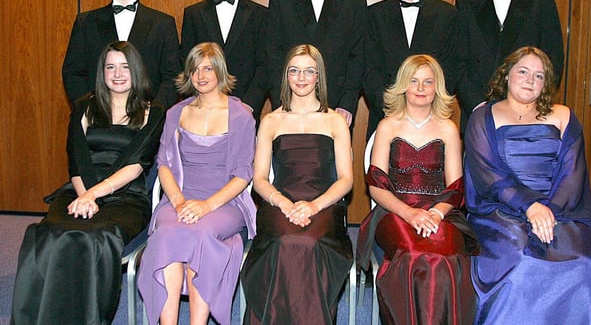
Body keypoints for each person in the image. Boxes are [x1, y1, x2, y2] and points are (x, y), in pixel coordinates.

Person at [464, 46, 591, 324]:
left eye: (539, 76)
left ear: (546, 83)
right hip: (501, 211)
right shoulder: (482, 117)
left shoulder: (563, 116)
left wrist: (548, 211)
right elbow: (488, 175)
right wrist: (529, 206)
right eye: (523, 72)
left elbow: (573, 173)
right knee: (524, 266)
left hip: (559, 210)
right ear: (506, 75)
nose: (529, 80)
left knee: (584, 267)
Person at [12, 41, 164, 325]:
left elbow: (135, 164)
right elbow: (77, 157)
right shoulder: (85, 107)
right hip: (80, 189)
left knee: (97, 235)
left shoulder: (152, 112)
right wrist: (84, 196)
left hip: (127, 196)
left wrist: (94, 196)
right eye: (110, 67)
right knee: (51, 232)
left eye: (125, 67)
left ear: (137, 71)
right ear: (102, 72)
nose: (118, 74)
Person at [138, 42, 257, 325]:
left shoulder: (242, 116)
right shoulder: (175, 113)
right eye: (194, 70)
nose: (201, 75)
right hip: (180, 196)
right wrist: (178, 200)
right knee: (166, 233)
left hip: (225, 201)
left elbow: (243, 173)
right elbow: (164, 164)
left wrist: (206, 206)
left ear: (220, 71)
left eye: (207, 68)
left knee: (200, 233)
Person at [357, 55, 479, 325]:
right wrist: (409, 214)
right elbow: (376, 186)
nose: (421, 88)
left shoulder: (448, 128)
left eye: (428, 82)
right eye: (414, 81)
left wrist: (435, 213)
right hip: (394, 211)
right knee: (413, 255)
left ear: (438, 87)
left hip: (440, 212)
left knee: (444, 255)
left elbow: (456, 187)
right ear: (403, 85)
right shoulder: (387, 126)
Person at [240, 44, 353, 324]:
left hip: (324, 204)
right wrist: (284, 203)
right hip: (280, 202)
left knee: (309, 241)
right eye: (294, 71)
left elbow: (347, 180)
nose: (301, 78)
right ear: (286, 76)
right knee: (284, 240)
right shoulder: (270, 120)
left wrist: (313, 205)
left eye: (309, 71)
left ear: (319, 77)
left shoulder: (336, 121)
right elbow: (260, 179)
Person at [455, 0, 564, 127]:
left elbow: (553, 58)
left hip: (529, 113)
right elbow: (458, 63)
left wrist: (533, 106)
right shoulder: (466, 2)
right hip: (479, 112)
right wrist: (478, 107)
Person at [266, 0, 367, 126]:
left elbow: (358, 55)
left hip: (336, 103)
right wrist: (282, 100)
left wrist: (348, 103)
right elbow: (273, 52)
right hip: (290, 103)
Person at [63, 0, 181, 109]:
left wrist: (154, 113)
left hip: (148, 124)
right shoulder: (85, 22)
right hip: (96, 121)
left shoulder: (163, 23)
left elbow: (173, 75)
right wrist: (92, 110)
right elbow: (73, 73)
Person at [364, 0, 459, 138]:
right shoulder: (373, 14)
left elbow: (452, 67)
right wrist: (392, 107)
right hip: (386, 116)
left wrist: (426, 107)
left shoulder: (446, 14)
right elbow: (368, 69)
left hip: (432, 118)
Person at [181, 0, 268, 120]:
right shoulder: (193, 14)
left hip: (246, 111)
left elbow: (265, 65)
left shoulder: (261, 14)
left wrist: (250, 105)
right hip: (202, 111)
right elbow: (186, 63)